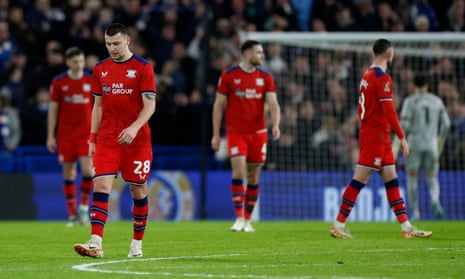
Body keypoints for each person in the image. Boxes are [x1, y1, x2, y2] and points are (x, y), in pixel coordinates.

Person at [329, 38, 432, 239]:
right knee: (360, 179)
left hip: (378, 134)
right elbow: (390, 111)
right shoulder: (382, 78)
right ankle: (338, 224)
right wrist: (402, 137)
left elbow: (361, 109)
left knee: (391, 179)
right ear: (390, 54)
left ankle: (406, 226)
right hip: (376, 134)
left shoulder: (366, 75)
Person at [73, 23, 157, 258]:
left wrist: (134, 127)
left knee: (138, 190)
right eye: (108, 44)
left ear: (128, 40)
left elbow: (150, 105)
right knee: (100, 186)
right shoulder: (100, 69)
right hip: (108, 139)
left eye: (116, 43)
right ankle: (95, 242)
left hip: (137, 140)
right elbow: (97, 107)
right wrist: (92, 138)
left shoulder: (143, 68)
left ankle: (137, 244)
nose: (112, 48)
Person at [211, 40, 281, 232]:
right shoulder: (229, 75)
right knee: (239, 172)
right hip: (236, 133)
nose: (262, 56)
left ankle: (248, 220)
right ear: (247, 53)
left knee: (253, 176)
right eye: (259, 52)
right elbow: (218, 106)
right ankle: (239, 217)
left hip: (258, 133)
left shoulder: (266, 77)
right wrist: (216, 134)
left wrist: (275, 125)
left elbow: (273, 103)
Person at [47, 47, 94, 227]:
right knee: (69, 174)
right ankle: (72, 214)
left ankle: (83, 208)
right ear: (68, 62)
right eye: (75, 61)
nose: (79, 64)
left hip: (85, 135)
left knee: (88, 171)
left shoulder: (91, 80)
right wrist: (50, 136)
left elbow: (99, 108)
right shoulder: (59, 82)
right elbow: (53, 110)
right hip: (66, 136)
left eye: (81, 61)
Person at [398, 73, 450, 220]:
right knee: (432, 177)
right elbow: (446, 124)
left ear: (413, 85)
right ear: (427, 85)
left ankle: (415, 213)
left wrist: (398, 145)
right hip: (432, 144)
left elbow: (404, 125)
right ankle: (435, 200)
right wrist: (439, 141)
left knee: (412, 178)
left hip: (414, 144)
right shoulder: (437, 101)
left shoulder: (410, 101)